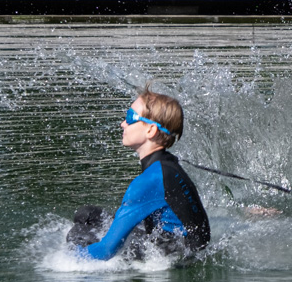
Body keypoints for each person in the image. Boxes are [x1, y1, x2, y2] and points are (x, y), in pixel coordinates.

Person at [69, 88, 211, 262]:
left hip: (172, 256)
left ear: (151, 130)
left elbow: (106, 251)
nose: (123, 123)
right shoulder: (166, 164)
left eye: (130, 118)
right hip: (183, 245)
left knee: (77, 236)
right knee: (87, 214)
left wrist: (67, 259)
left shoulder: (149, 181)